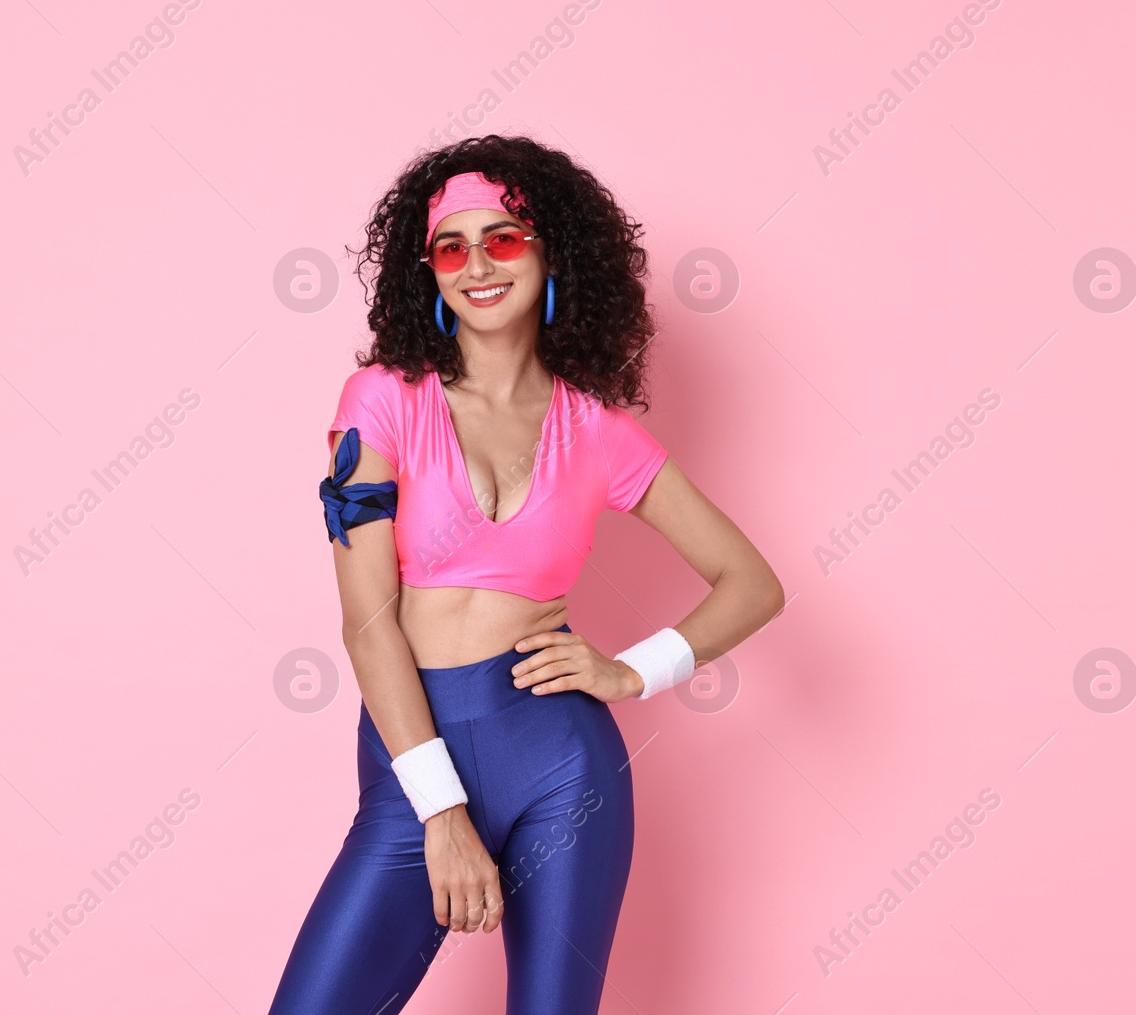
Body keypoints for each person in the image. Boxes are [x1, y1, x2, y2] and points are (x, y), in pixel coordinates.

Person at [270, 134, 784, 1014]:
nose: (477, 264)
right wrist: (440, 812)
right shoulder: (384, 401)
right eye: (451, 246)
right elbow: (367, 622)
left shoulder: (599, 433)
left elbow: (752, 582)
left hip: (562, 765)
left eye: (503, 238)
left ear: (551, 253)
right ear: (425, 269)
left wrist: (630, 670)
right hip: (413, 764)